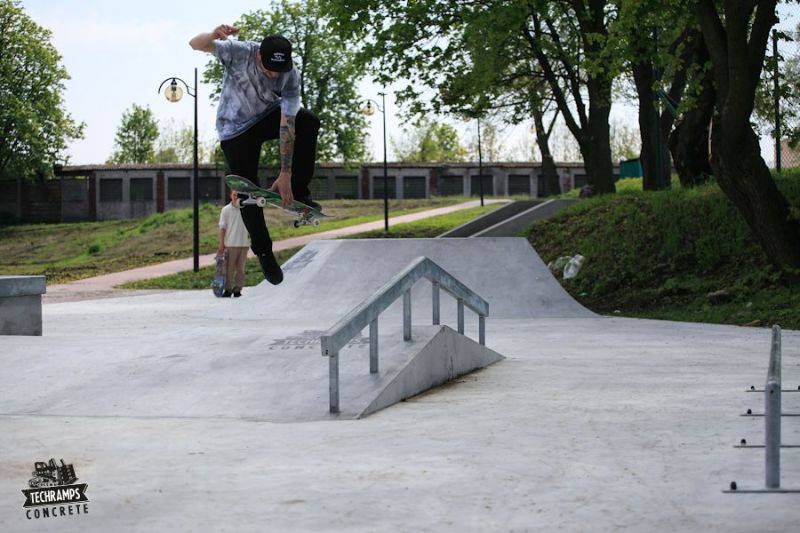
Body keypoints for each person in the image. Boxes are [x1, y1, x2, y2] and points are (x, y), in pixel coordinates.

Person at [190, 25, 321, 286]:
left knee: (309, 121)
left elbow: (288, 123)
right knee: (245, 187)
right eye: (269, 68)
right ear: (259, 55)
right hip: (234, 128)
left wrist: (286, 174)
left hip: (266, 118)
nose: (274, 75)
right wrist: (213, 34)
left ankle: (299, 192)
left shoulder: (290, 75)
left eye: (279, 70)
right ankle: (263, 251)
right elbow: (195, 44)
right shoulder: (238, 52)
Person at [217, 189, 250, 297]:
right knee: (229, 268)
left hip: (244, 243)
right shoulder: (226, 210)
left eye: (238, 195)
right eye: (234, 195)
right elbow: (222, 227)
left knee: (241, 268)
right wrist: (221, 244)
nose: (236, 197)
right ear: (230, 196)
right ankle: (228, 289)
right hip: (230, 243)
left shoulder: (245, 208)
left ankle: (238, 289)